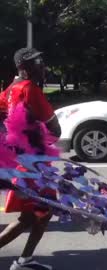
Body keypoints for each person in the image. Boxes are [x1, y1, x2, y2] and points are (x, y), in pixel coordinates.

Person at [0, 48, 61, 270]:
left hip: (26, 161)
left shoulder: (9, 90)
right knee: (32, 216)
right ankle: (22, 262)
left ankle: (24, 260)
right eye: (38, 63)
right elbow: (56, 130)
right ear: (24, 68)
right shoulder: (29, 89)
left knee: (41, 214)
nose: (43, 66)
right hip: (34, 164)